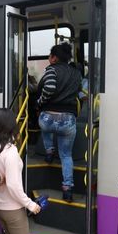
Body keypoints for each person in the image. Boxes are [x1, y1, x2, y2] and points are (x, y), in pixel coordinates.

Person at [36, 42, 82, 202]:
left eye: (50, 56)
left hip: (48, 118)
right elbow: (78, 92)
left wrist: (40, 101)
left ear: (54, 58)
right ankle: (67, 188)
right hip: (68, 120)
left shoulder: (51, 70)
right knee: (66, 155)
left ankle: (49, 150)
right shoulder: (76, 73)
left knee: (44, 124)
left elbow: (48, 89)